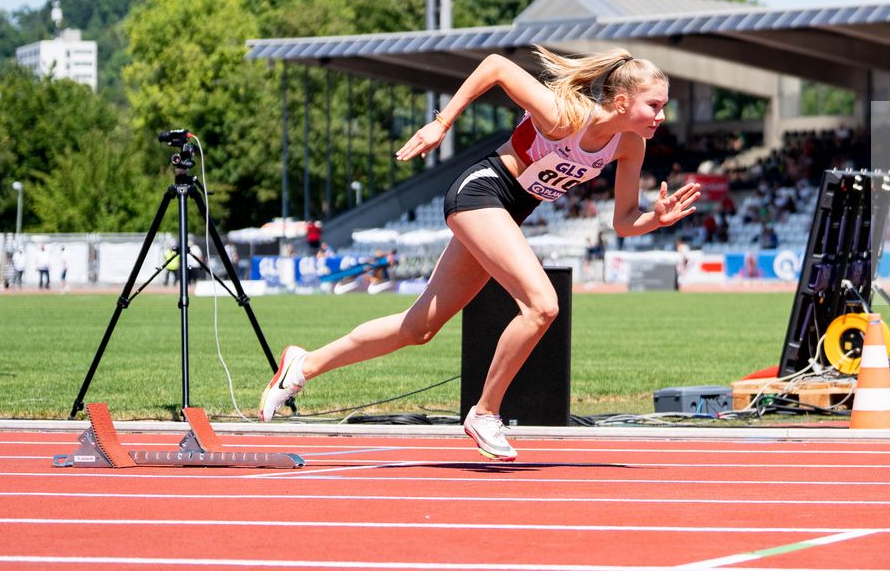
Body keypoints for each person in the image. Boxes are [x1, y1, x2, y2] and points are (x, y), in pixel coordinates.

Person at [258, 49, 698, 460]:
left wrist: (654, 220)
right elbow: (495, 65)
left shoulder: (629, 145)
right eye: (654, 106)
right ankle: (485, 412)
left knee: (419, 327)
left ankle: (304, 363)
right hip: (482, 191)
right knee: (542, 305)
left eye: (663, 106)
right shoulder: (566, 117)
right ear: (621, 102)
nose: (661, 116)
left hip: (510, 210)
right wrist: (441, 124)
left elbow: (624, 221)